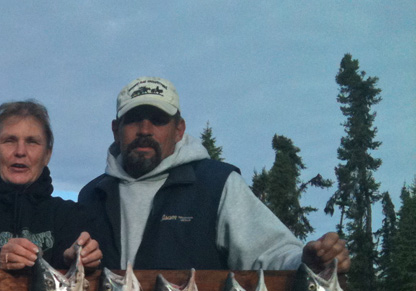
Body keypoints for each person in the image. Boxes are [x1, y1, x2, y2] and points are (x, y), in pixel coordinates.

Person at [77, 76, 350, 272]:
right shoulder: (92, 196)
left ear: (179, 129)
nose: (145, 130)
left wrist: (309, 261)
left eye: (158, 120)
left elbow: (270, 252)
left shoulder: (216, 184)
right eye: (134, 120)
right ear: (116, 129)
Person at [0, 100, 103, 272]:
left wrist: (77, 258)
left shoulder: (71, 216)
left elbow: (84, 252)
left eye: (32, 142)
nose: (20, 152)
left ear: (47, 155)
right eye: (9, 140)